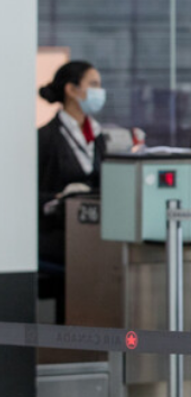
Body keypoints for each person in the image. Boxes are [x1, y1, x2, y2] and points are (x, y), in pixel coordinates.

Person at [37, 60, 107, 323]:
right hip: (57, 233)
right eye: (93, 84)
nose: (99, 91)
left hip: (92, 229)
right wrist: (57, 199)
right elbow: (27, 196)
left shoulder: (98, 136)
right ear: (71, 90)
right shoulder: (46, 138)